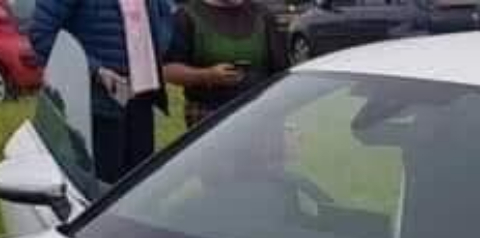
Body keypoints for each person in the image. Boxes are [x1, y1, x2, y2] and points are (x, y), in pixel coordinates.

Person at [26, 0, 174, 184]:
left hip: (141, 98)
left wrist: (156, 48)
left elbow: (166, 16)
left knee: (140, 186)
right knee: (104, 189)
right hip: (95, 105)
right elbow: (42, 33)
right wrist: (95, 71)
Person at [162, 0, 289, 130]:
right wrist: (207, 76)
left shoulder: (262, 14)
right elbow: (167, 70)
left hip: (262, 111)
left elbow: (281, 71)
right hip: (209, 116)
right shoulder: (186, 16)